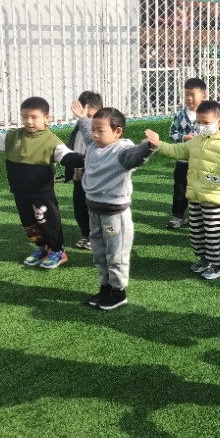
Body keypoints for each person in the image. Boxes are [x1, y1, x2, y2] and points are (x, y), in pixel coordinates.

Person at [146, 101, 220, 280]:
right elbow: (177, 150)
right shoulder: (195, 141)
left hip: (215, 198)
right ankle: (204, 259)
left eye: (206, 123)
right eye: (199, 122)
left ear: (219, 122)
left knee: (216, 233)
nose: (202, 126)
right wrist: (159, 145)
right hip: (196, 196)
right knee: (197, 231)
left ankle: (219, 264)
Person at [62, 103, 157, 309]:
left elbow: (136, 156)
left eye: (101, 130)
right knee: (99, 252)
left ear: (117, 132)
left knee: (115, 254)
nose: (95, 134)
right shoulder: (94, 146)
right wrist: (83, 118)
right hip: (94, 210)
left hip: (114, 215)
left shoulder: (121, 152)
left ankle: (118, 293)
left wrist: (148, 147)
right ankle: (105, 287)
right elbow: (87, 133)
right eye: (94, 129)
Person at [0, 96, 72, 269]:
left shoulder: (51, 141)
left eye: (34, 117)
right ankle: (41, 248)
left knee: (48, 222)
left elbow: (67, 156)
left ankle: (58, 251)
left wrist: (83, 160)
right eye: (25, 116)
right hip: (20, 192)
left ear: (46, 118)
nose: (29, 121)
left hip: (42, 194)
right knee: (29, 224)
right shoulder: (13, 137)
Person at [64, 90, 103, 249]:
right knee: (79, 207)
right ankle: (85, 234)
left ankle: (99, 236)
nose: (86, 119)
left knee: (95, 209)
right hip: (79, 176)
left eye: (90, 116)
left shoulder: (101, 132)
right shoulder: (78, 128)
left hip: (95, 177)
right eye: (83, 115)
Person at [167, 77, 207, 229]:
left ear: (203, 95)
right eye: (186, 95)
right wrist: (184, 137)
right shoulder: (180, 115)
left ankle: (200, 216)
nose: (189, 98)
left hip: (202, 161)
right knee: (180, 188)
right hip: (183, 160)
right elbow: (172, 133)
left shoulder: (207, 114)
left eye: (192, 94)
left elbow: (215, 133)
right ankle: (178, 216)